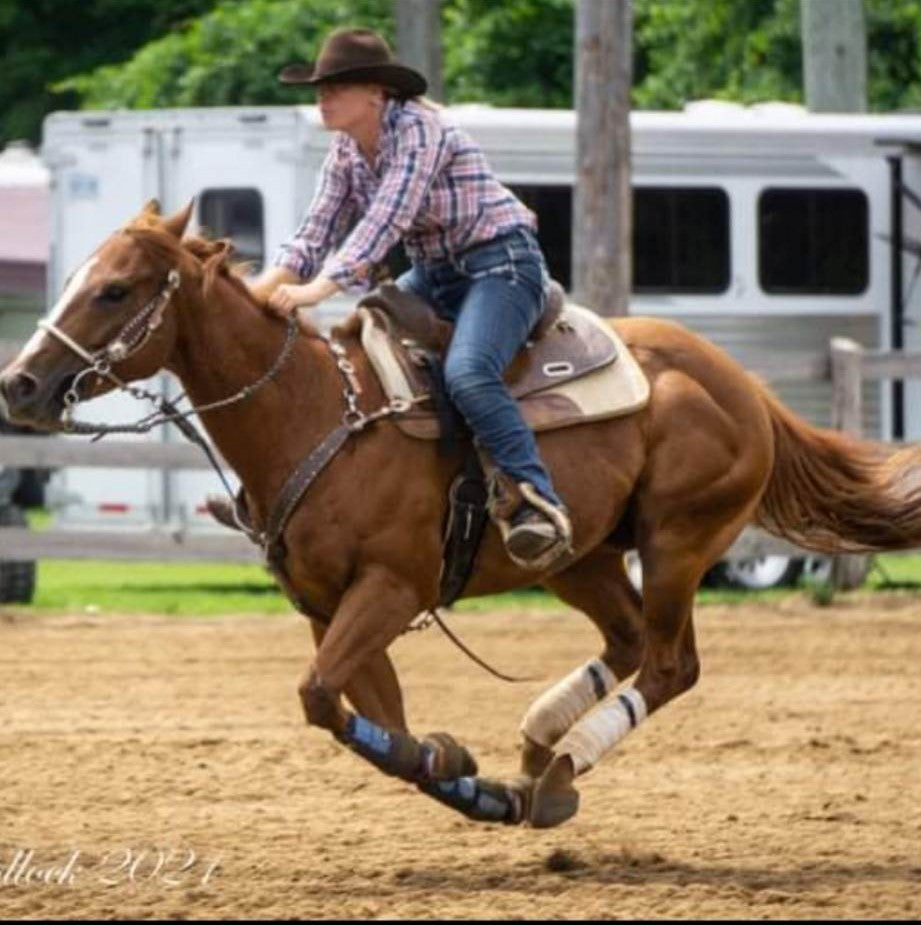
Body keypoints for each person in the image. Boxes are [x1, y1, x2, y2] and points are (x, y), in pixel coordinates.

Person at [230, 27, 572, 567]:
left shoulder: (420, 130)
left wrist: (318, 289)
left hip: (500, 266)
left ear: (376, 94)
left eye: (336, 87)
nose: (323, 97)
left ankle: (536, 502)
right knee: (356, 349)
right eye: (320, 88)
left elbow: (387, 218)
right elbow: (312, 233)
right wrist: (252, 296)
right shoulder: (345, 151)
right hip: (436, 274)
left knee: (468, 373)